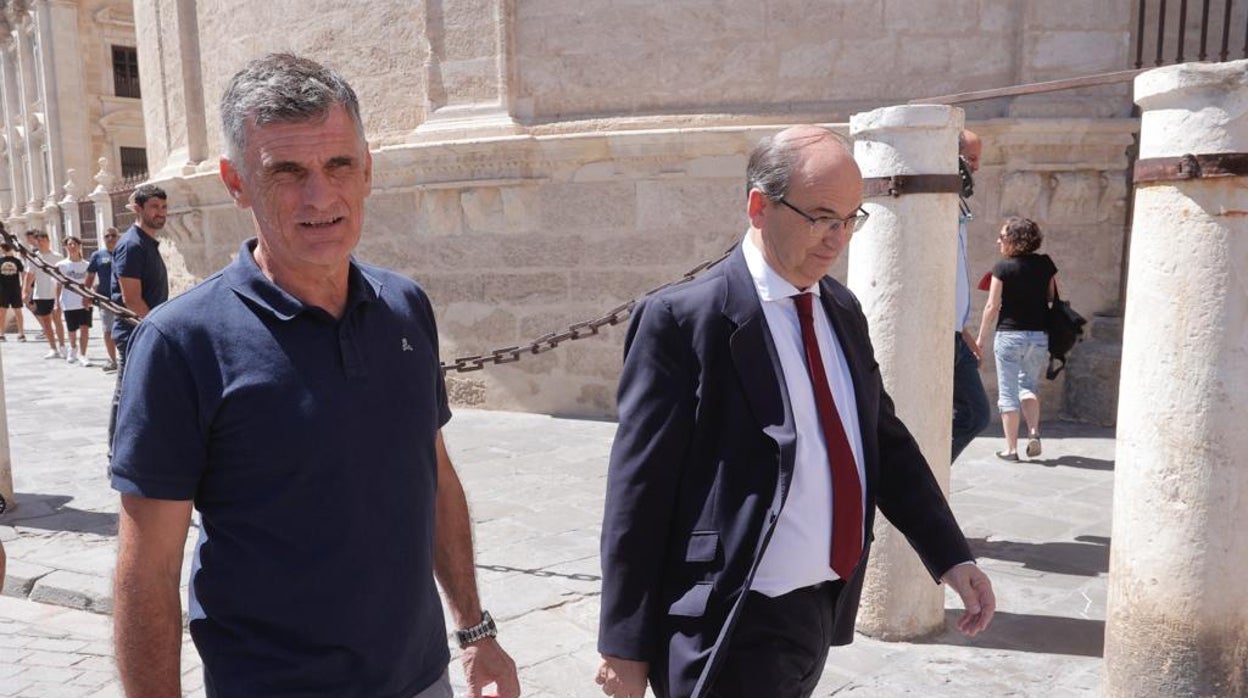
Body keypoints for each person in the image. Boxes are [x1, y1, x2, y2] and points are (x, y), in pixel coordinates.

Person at [110, 53, 520, 698]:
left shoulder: (405, 306)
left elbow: (433, 475)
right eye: (286, 171)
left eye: (339, 165)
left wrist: (475, 630)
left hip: (422, 681)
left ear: (368, 170)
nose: (320, 197)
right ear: (236, 182)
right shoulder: (181, 342)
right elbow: (147, 572)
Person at [595, 126, 995, 698]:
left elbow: (883, 439)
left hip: (818, 613)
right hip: (729, 615)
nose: (837, 240)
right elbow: (639, 491)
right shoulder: (684, 320)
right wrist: (623, 645)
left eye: (851, 219)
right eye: (821, 217)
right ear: (760, 206)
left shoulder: (840, 308)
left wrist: (950, 555)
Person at [974, 217, 1057, 461]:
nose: (998, 240)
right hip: (1038, 336)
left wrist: (980, 338)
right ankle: (1033, 432)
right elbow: (1052, 295)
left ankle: (1011, 449)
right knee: (1028, 387)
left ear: (1015, 240)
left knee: (1008, 393)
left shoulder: (1002, 268)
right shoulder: (1045, 264)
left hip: (1009, 336)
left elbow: (992, 306)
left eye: (1002, 236)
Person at [107, 184, 170, 443]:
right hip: (134, 332)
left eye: (164, 207)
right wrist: (158, 330)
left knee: (142, 391)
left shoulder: (147, 243)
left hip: (146, 329)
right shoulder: (132, 245)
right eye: (154, 206)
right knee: (127, 392)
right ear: (138, 209)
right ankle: (116, 450)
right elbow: (131, 298)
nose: (161, 212)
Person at [951, 129, 991, 461]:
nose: (976, 167)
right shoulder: (934, 204)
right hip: (939, 335)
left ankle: (925, 479)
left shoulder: (956, 203)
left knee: (976, 415)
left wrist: (963, 330)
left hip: (955, 335)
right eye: (972, 159)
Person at [21, 231, 67, 359]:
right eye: (38, 240)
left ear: (48, 240)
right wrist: (25, 291)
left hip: (55, 295)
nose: (41, 242)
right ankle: (53, 348)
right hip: (40, 294)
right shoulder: (35, 258)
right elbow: (29, 275)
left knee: (58, 321)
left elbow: (63, 276)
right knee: (46, 323)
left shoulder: (58, 257)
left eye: (43, 240)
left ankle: (62, 346)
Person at [85, 227, 120, 370]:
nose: (110, 238)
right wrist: (86, 295)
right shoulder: (97, 255)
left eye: (113, 235)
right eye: (107, 236)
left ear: (118, 237)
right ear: (103, 238)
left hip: (123, 299)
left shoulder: (124, 253)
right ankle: (112, 360)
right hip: (105, 299)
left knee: (125, 329)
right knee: (108, 330)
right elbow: (90, 275)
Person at [55, 236, 93, 366]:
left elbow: (94, 284)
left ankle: (83, 354)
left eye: (74, 244)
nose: (72, 247)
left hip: (84, 302)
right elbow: (58, 285)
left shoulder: (87, 265)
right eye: (69, 244)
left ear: (79, 246)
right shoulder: (61, 265)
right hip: (68, 302)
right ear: (66, 247)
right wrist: (57, 303)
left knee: (85, 329)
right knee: (71, 330)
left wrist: (91, 298)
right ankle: (73, 348)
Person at [0, 241, 26, 341]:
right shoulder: (0, 260)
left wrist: (23, 286)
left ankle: (21, 334)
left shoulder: (16, 261)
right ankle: (1, 334)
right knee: (2, 312)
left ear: (3, 249)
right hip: (3, 289)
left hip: (14, 289)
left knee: (18, 311)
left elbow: (23, 273)